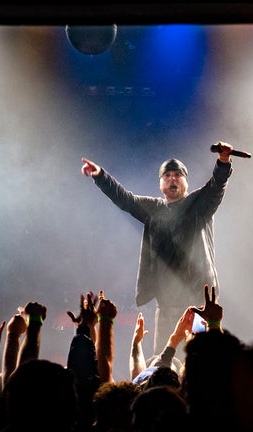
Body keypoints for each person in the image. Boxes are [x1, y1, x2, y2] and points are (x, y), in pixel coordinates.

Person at [81, 142, 235, 351]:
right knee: (163, 361)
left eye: (178, 175)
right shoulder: (153, 209)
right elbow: (125, 199)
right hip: (166, 304)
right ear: (160, 183)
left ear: (186, 183)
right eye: (167, 175)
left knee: (201, 361)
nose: (172, 178)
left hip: (199, 303)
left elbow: (216, 186)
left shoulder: (200, 204)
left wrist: (223, 162)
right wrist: (100, 175)